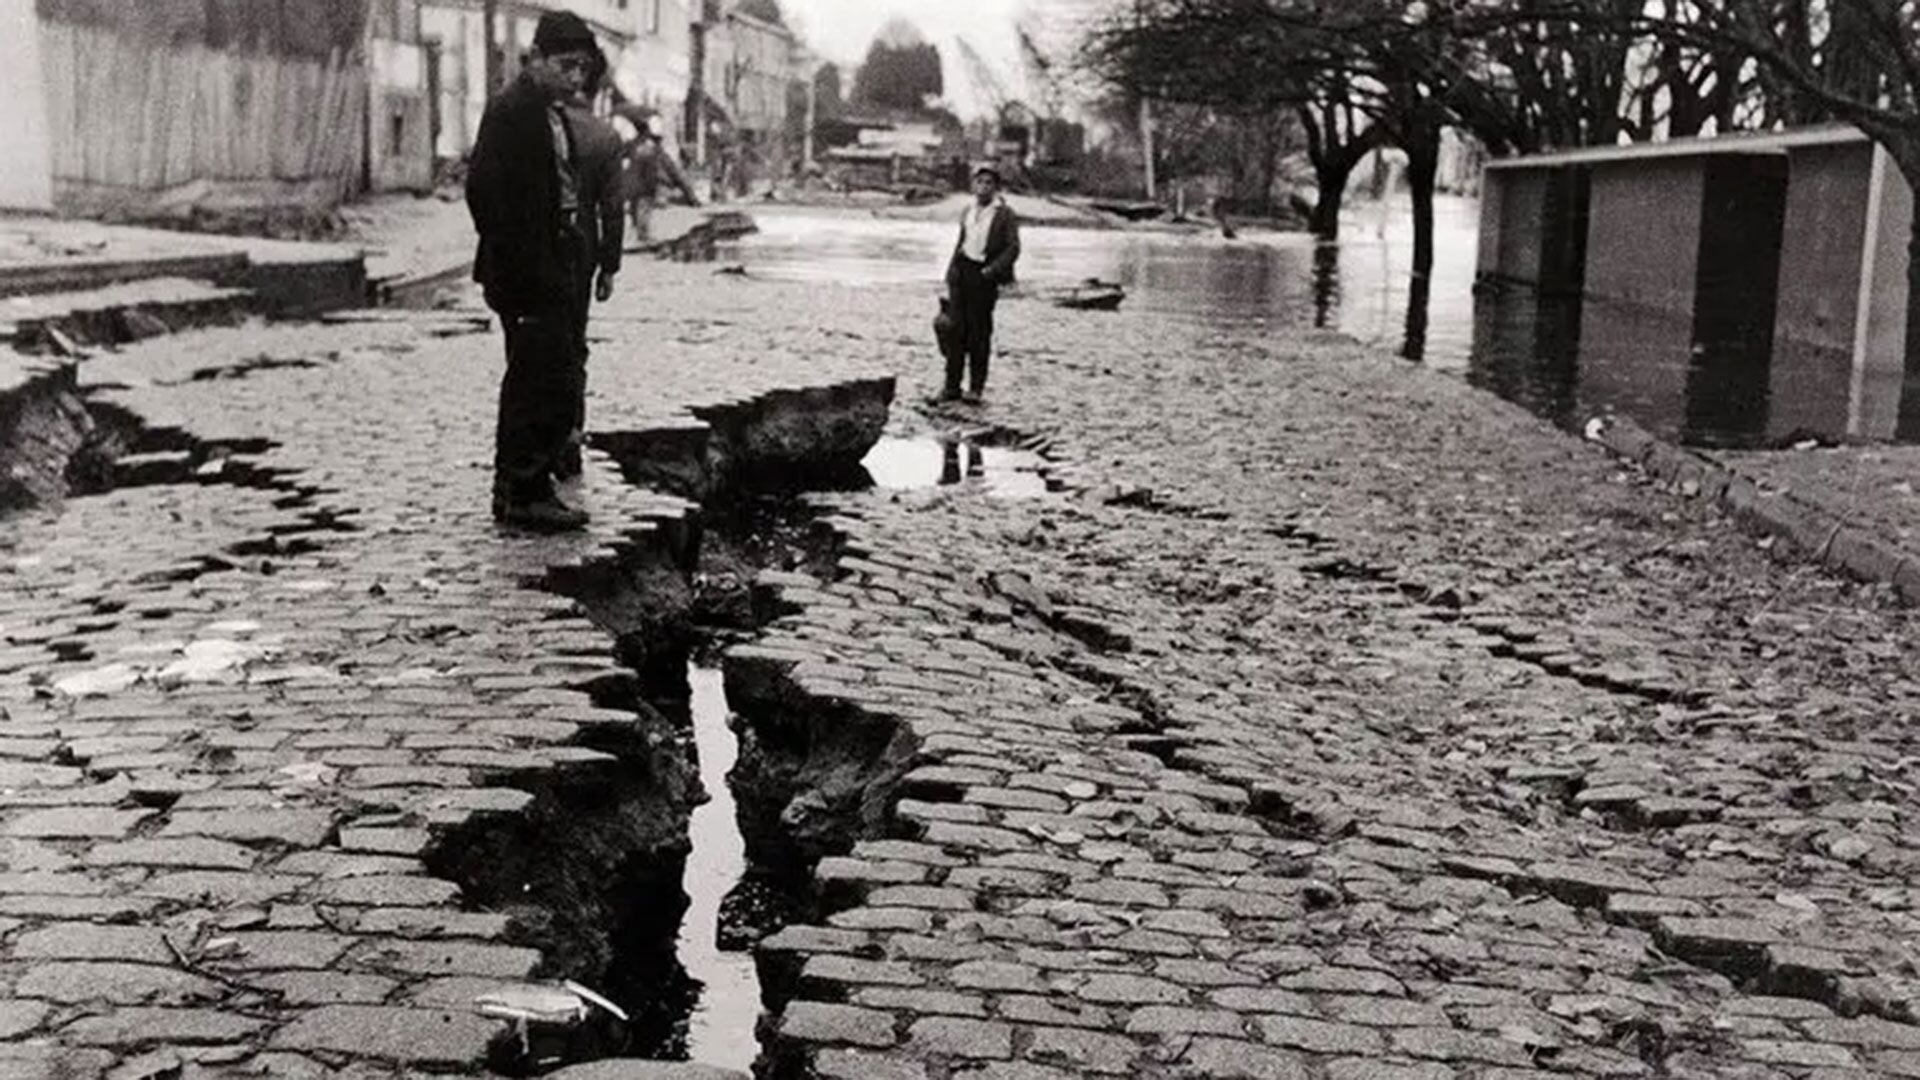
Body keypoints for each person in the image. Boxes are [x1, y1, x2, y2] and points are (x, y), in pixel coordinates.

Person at [465, 11, 603, 530]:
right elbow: (482, 190)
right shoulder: (514, 110)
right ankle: (525, 492)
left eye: (583, 69)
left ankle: (521, 486)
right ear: (538, 58)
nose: (575, 78)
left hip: (547, 269)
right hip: (527, 275)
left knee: (549, 378)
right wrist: (521, 259)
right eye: (567, 65)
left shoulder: (547, 110)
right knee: (538, 382)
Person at [558, 57, 626, 479]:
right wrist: (609, 266)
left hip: (537, 249)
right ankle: (570, 440)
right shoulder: (605, 136)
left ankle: (534, 447)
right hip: (580, 253)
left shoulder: (542, 125)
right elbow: (612, 209)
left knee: (532, 350)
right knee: (573, 345)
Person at [940, 163, 1021, 404]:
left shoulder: (1005, 214)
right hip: (962, 271)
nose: (983, 187)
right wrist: (950, 271)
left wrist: (992, 271)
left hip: (984, 275)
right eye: (980, 182)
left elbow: (1013, 248)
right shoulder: (968, 210)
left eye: (989, 183)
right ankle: (951, 387)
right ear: (973, 185)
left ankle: (975, 389)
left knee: (979, 334)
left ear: (995, 188)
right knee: (955, 331)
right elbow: (961, 242)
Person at [624, 115, 701, 244]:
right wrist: (692, 197)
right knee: (643, 209)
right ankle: (642, 237)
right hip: (646, 186)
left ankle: (637, 236)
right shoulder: (655, 151)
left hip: (631, 186)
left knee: (637, 209)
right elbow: (676, 174)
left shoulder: (632, 146)